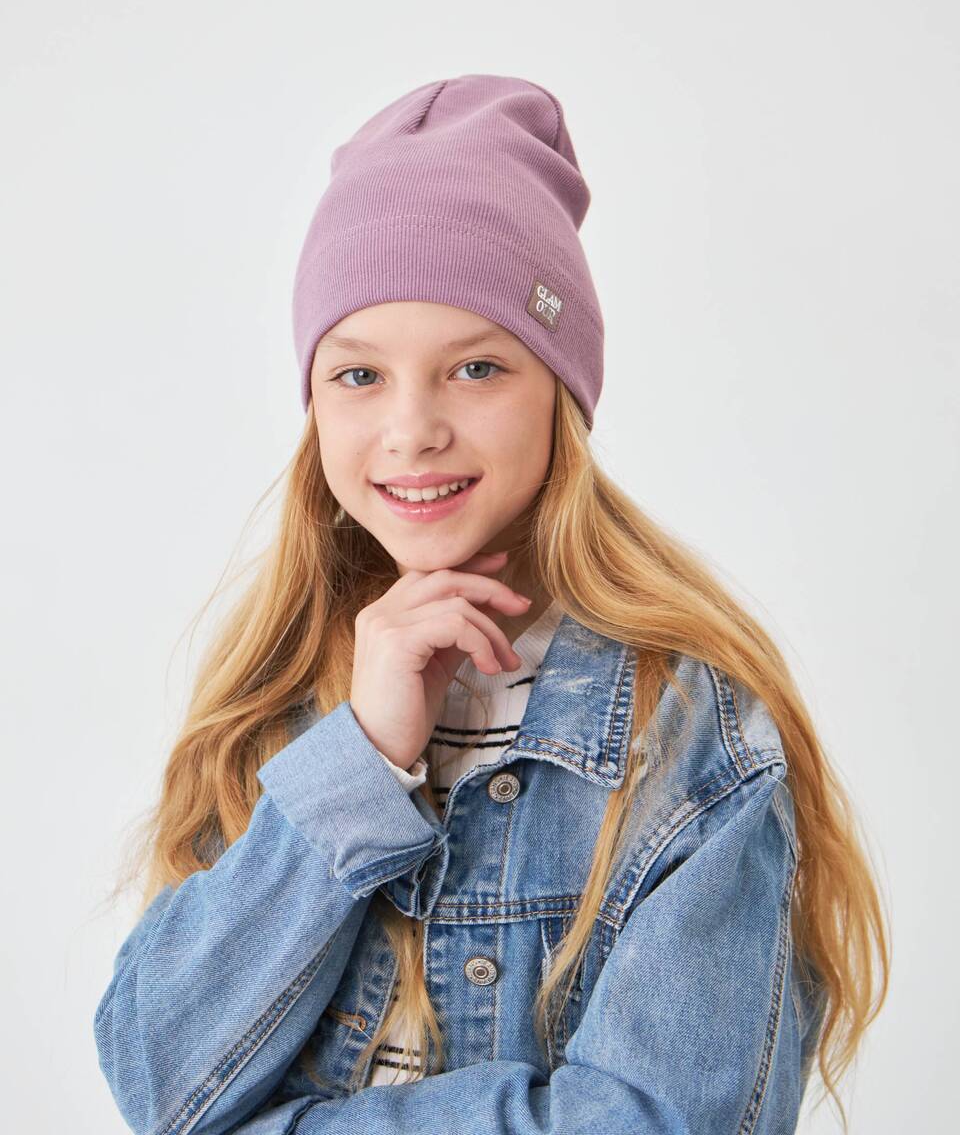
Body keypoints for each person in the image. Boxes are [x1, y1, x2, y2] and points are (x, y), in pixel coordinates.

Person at [92, 74, 889, 1135]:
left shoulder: (689, 730)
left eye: (475, 367)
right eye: (359, 376)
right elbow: (161, 1082)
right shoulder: (279, 697)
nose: (412, 430)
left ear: (561, 388)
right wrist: (362, 760)